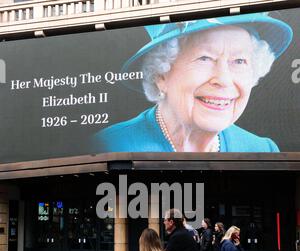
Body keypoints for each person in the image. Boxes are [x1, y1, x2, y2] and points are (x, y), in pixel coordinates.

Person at [91, 13, 293, 153]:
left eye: (239, 61)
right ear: (161, 75)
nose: (223, 79)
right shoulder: (111, 145)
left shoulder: (261, 149)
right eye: (204, 58)